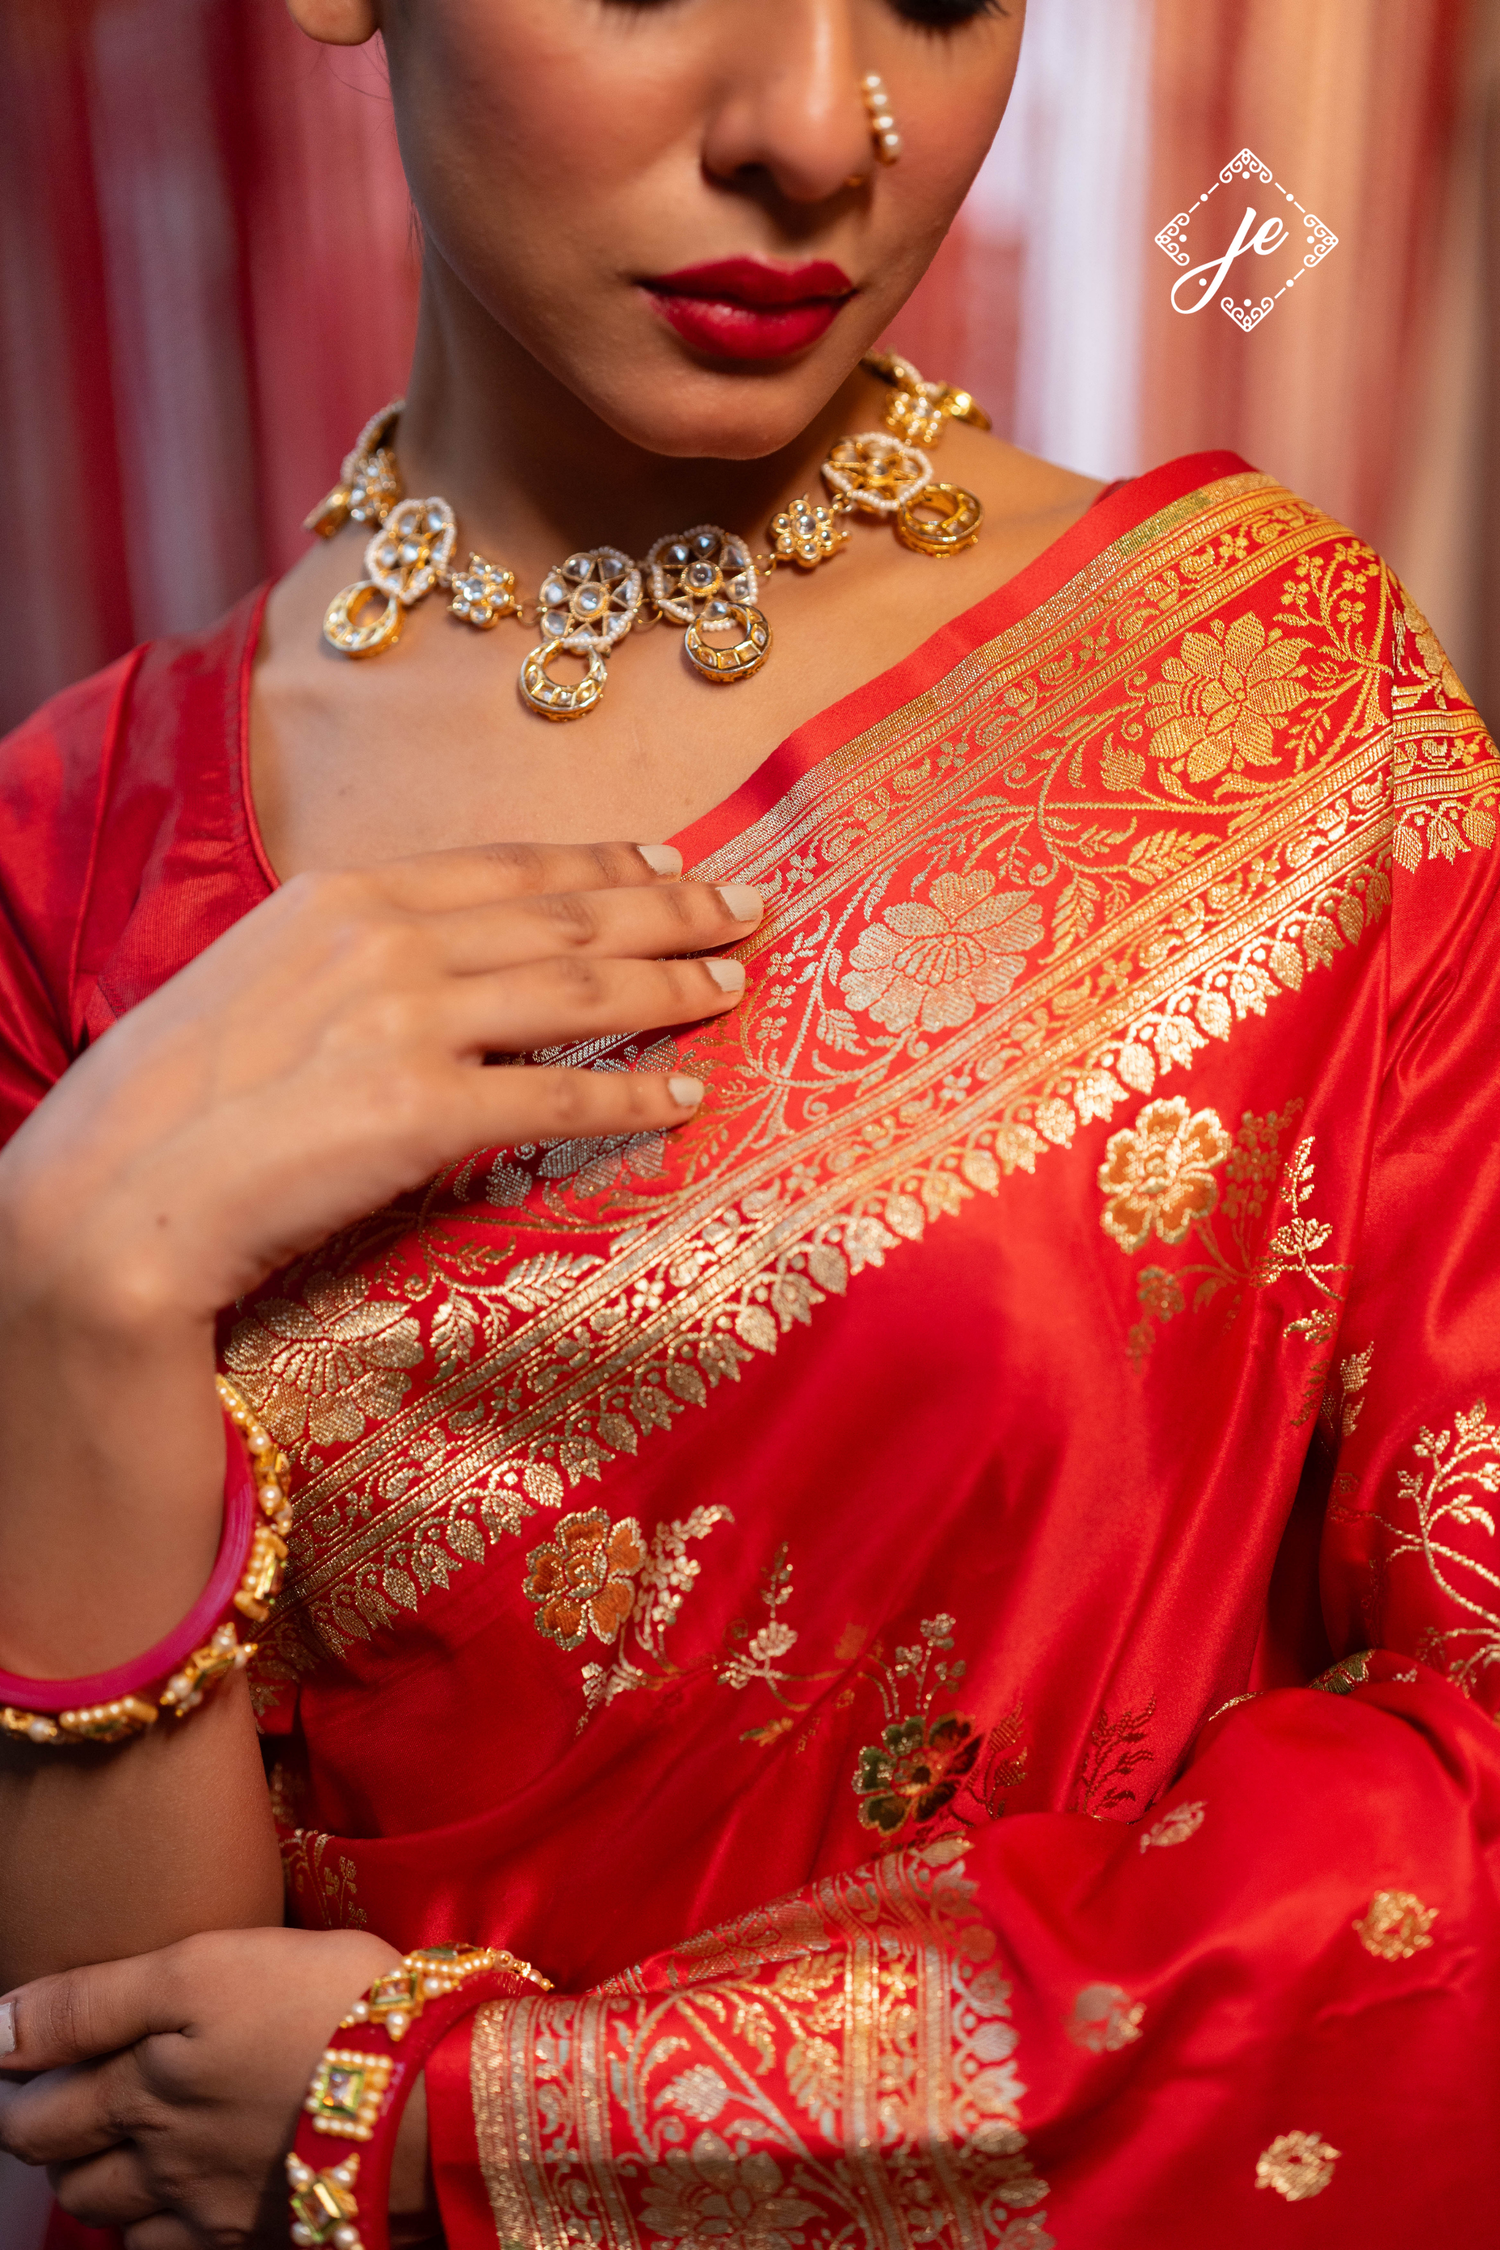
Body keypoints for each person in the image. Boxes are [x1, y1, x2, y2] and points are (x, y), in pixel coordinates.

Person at [1, 0, 1497, 2244]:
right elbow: (121, 2095)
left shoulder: (1273, 715)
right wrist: (74, 1281)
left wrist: (501, 2113)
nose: (819, 134)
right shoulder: (71, 868)